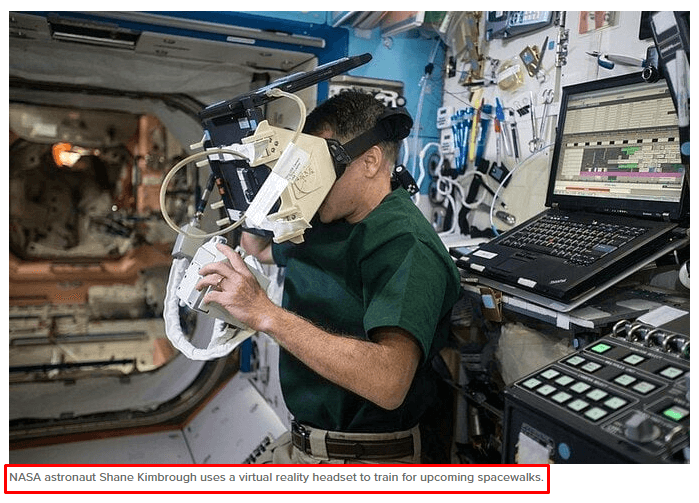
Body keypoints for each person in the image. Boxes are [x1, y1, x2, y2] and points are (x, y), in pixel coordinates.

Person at [196, 90, 461, 463]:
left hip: (366, 459)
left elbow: (389, 383)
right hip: (305, 443)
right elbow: (259, 249)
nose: (311, 179)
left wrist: (266, 313)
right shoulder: (326, 219)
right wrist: (258, 185)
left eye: (320, 164)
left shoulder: (405, 243)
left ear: (369, 161)